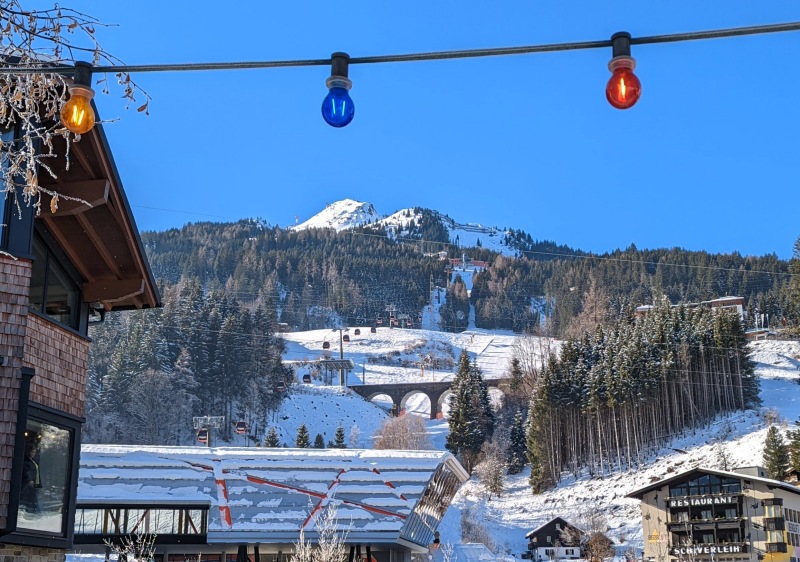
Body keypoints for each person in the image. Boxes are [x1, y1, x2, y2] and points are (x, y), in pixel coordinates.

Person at [20, 438, 41, 513]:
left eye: (35, 452)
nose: (34, 453)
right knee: (31, 498)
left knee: (34, 499)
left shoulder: (33, 461)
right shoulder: (26, 461)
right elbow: (26, 471)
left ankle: (35, 511)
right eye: (32, 451)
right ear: (29, 451)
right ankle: (35, 512)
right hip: (29, 484)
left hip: (34, 483)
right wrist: (29, 480)